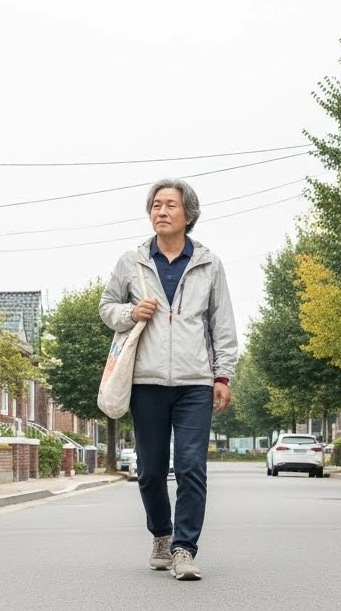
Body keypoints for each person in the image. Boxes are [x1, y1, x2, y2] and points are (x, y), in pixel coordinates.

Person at [99, 178, 239, 581]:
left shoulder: (210, 263)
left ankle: (183, 548)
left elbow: (222, 324)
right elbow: (106, 307)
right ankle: (161, 533)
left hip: (196, 381)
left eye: (170, 205)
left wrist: (223, 375)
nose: (161, 211)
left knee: (192, 465)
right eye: (156, 205)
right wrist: (130, 313)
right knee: (151, 470)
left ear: (188, 215)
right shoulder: (132, 261)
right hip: (147, 381)